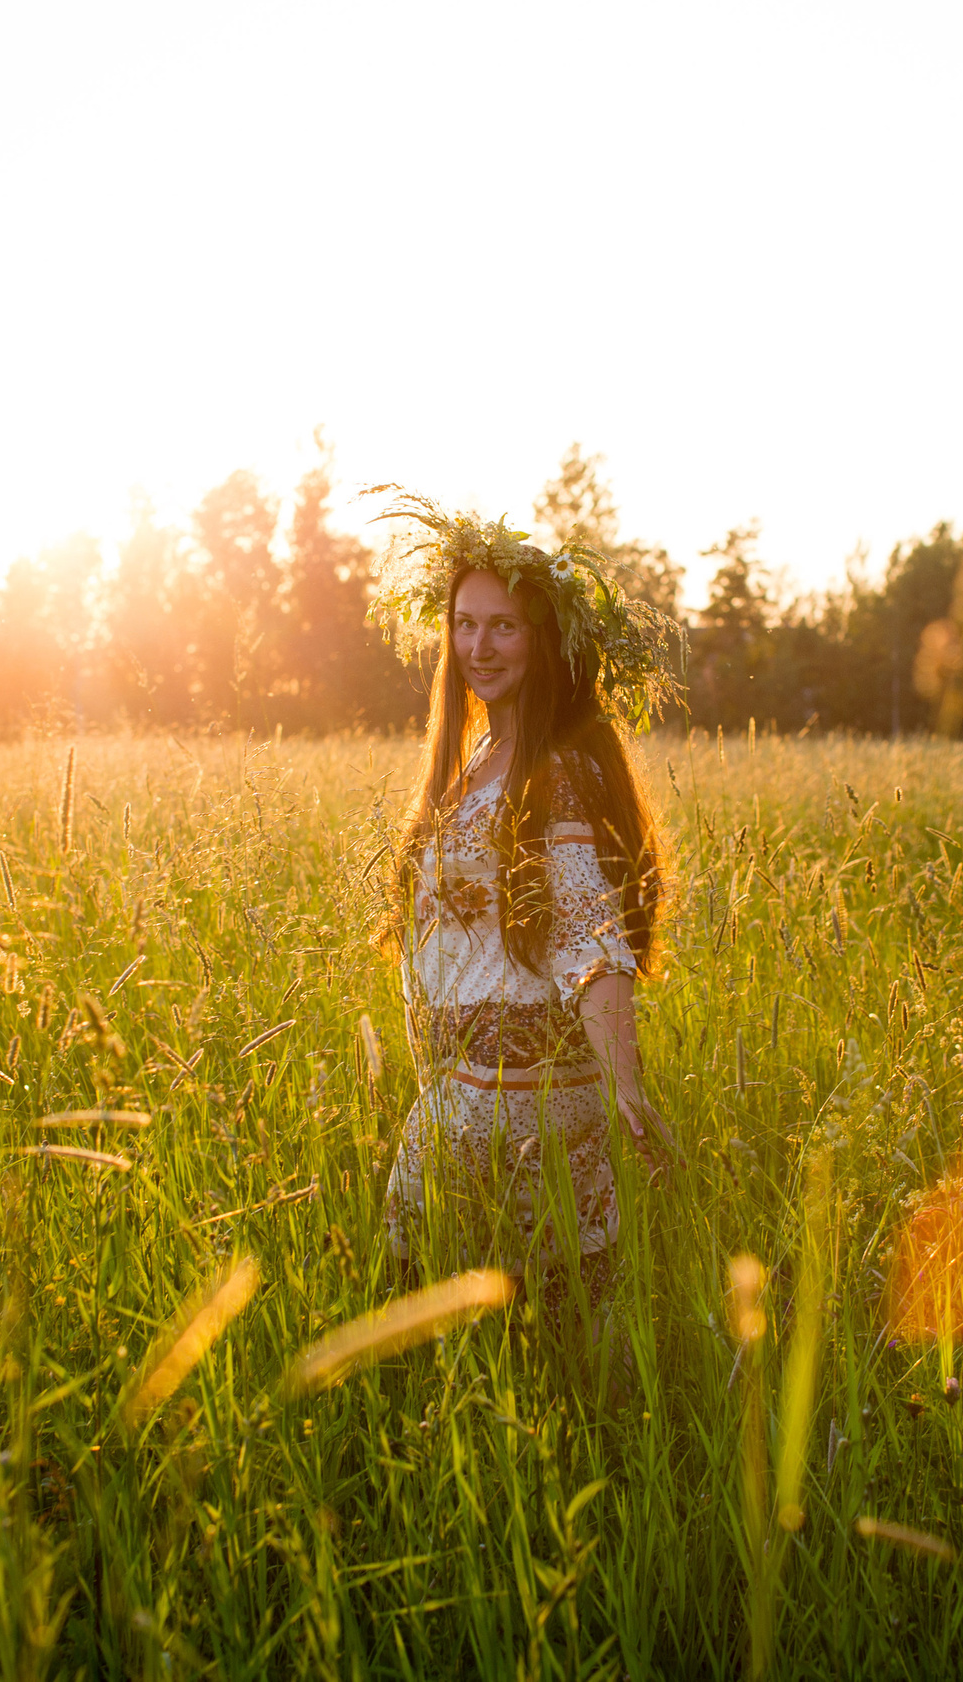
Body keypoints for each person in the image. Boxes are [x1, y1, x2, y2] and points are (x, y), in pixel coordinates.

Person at [366, 491, 685, 1327]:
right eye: (465, 624)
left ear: (545, 639)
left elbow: (589, 935)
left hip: (509, 1097)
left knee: (452, 1319)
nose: (479, 645)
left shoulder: (551, 770)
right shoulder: (482, 758)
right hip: (481, 1091)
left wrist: (626, 1083)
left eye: (504, 625)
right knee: (519, 1325)